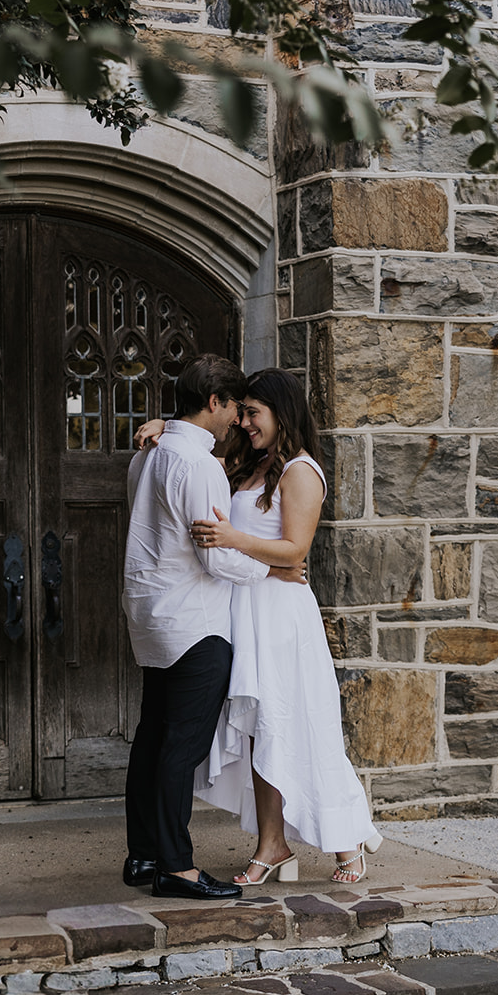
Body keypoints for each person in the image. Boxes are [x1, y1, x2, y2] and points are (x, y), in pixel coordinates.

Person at [137, 368, 381, 884]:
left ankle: (346, 840)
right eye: (241, 411)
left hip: (280, 614)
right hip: (241, 607)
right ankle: (273, 845)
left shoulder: (301, 471)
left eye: (254, 413)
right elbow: (192, 443)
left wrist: (232, 539)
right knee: (260, 731)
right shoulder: (249, 465)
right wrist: (164, 425)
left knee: (301, 724)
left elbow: (296, 550)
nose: (244, 423)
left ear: (281, 413)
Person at [121, 353, 305, 901]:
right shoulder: (196, 464)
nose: (236, 423)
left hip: (152, 615)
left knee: (152, 739)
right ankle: (176, 867)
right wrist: (274, 568)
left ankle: (144, 855)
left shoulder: (149, 454)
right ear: (215, 402)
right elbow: (215, 556)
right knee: (180, 747)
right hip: (194, 621)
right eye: (234, 409)